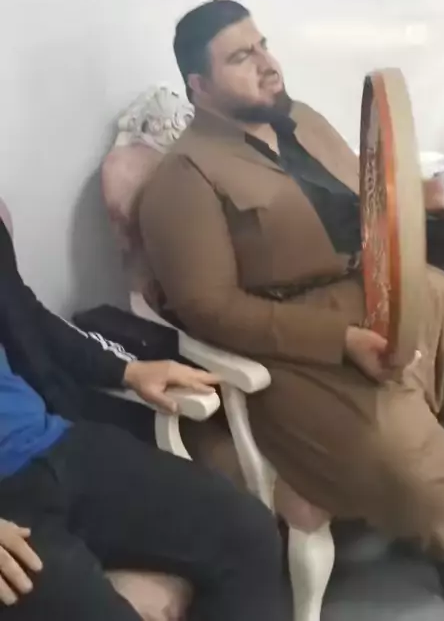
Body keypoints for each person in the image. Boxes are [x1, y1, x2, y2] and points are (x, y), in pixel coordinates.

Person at [139, 0, 444, 618]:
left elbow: (365, 202)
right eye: (241, 58)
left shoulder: (306, 120)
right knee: (413, 468)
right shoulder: (182, 179)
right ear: (199, 85)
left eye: (263, 46)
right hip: (299, 338)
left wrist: (414, 199)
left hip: (390, 287)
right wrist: (339, 340)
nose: (267, 64)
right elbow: (210, 309)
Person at [0, 212, 288, 620]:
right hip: (9, 505)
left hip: (57, 443)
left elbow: (26, 316)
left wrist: (127, 371)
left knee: (248, 533)